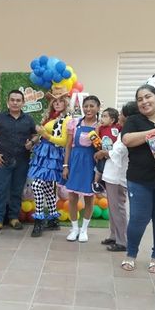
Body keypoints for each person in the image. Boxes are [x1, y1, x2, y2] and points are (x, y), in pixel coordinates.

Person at [120, 84, 155, 272]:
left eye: (148, 97)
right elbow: (127, 140)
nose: (144, 102)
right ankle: (131, 254)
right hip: (139, 179)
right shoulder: (134, 120)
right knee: (138, 219)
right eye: (140, 99)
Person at [0, 89, 36, 234]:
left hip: (22, 161)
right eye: (12, 100)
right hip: (2, 161)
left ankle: (14, 218)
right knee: (1, 191)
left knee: (17, 190)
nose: (15, 103)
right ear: (8, 102)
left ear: (23, 103)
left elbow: (36, 135)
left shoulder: (28, 119)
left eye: (18, 100)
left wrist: (32, 142)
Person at [27, 87, 72, 238]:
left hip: (53, 155)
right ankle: (53, 219)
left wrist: (45, 135)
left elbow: (64, 141)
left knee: (36, 185)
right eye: (55, 101)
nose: (57, 103)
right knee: (46, 187)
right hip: (43, 154)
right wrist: (34, 141)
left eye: (60, 101)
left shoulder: (67, 119)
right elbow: (42, 135)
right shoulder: (50, 117)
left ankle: (39, 220)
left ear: (66, 103)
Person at [95, 103, 136, 252]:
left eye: (121, 114)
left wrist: (104, 153)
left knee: (118, 208)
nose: (119, 116)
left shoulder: (129, 132)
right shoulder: (122, 130)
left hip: (118, 176)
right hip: (111, 174)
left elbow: (119, 151)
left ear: (127, 116)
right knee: (113, 208)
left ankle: (122, 240)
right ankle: (114, 235)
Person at [63, 95, 101, 243]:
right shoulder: (74, 123)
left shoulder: (100, 125)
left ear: (98, 108)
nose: (88, 109)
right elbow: (68, 146)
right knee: (72, 197)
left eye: (92, 106)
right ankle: (74, 229)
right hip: (75, 162)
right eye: (86, 106)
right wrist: (66, 166)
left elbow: (102, 147)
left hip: (91, 163)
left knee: (89, 198)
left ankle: (84, 229)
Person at [92, 107, 122, 194]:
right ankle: (95, 182)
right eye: (101, 116)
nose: (102, 118)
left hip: (113, 153)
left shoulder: (118, 127)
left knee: (110, 169)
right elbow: (95, 139)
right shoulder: (101, 128)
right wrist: (97, 128)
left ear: (112, 120)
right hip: (102, 152)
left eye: (105, 116)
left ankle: (103, 183)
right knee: (100, 168)